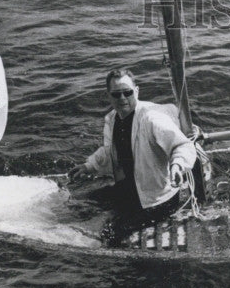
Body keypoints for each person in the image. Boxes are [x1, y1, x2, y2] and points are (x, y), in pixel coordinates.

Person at [69, 68, 199, 246]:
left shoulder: (152, 119)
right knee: (80, 202)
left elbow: (182, 145)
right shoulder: (112, 119)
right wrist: (88, 166)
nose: (122, 98)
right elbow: (109, 151)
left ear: (136, 91)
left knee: (110, 236)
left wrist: (177, 165)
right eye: (116, 94)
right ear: (109, 96)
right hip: (129, 190)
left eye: (127, 92)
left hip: (157, 200)